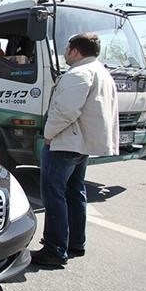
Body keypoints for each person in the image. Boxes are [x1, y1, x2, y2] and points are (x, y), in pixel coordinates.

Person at [31, 33, 118, 267]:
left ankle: (54, 248)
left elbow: (65, 111)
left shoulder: (78, 73)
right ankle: (75, 243)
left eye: (67, 49)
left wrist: (48, 134)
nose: (65, 53)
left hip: (65, 142)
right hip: (81, 145)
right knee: (74, 192)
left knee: (54, 195)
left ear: (76, 51)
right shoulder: (101, 72)